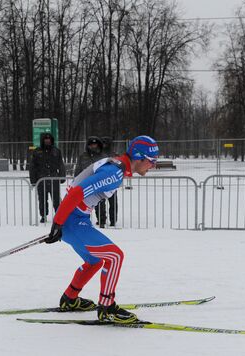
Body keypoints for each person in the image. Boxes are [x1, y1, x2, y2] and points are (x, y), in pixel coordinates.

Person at [44, 135, 159, 324]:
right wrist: (58, 223)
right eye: (151, 161)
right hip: (72, 221)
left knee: (95, 260)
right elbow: (77, 192)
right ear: (139, 157)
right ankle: (107, 308)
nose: (153, 165)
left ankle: (70, 299)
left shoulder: (117, 166)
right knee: (115, 256)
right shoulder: (114, 172)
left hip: (76, 219)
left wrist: (60, 222)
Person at [29, 132, 66, 223]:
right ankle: (43, 216)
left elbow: (61, 164)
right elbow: (32, 167)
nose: (47, 141)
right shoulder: (37, 151)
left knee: (56, 200)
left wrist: (62, 177)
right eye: (45, 139)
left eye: (49, 139)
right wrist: (33, 180)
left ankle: (59, 216)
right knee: (42, 200)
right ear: (43, 140)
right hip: (41, 180)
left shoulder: (56, 151)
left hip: (54, 179)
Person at [75, 136, 106, 227]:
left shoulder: (103, 156)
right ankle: (84, 221)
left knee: (100, 203)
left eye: (95, 144)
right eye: (91, 145)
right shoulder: (83, 156)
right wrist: (76, 179)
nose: (93, 146)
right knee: (85, 203)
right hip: (86, 184)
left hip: (99, 183)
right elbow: (78, 169)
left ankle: (102, 220)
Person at [98, 136, 118, 226]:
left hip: (110, 180)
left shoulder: (112, 154)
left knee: (110, 202)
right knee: (104, 202)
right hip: (105, 180)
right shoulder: (111, 154)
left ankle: (109, 220)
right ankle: (104, 220)